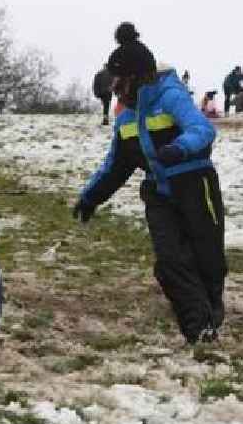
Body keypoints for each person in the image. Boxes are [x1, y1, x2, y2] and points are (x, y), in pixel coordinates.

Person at [72, 22, 227, 345]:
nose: (114, 90)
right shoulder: (125, 116)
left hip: (195, 184)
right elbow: (117, 164)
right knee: (169, 262)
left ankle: (212, 312)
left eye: (118, 82)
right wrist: (90, 197)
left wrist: (178, 148)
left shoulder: (171, 94)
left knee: (207, 259)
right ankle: (198, 329)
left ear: (136, 77)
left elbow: (202, 129)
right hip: (159, 192)